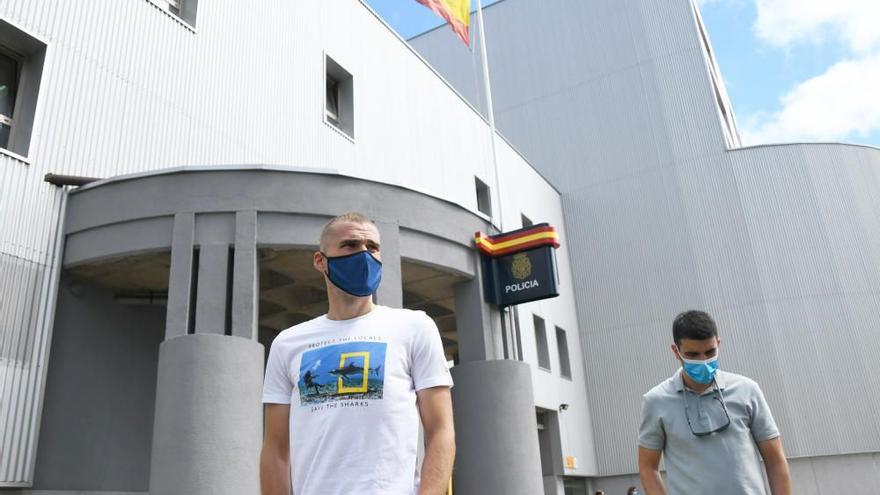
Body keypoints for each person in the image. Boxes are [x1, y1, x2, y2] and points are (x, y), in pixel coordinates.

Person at [260, 212, 455, 495]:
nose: (364, 254)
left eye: (372, 247)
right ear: (320, 261)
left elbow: (441, 431)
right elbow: (276, 449)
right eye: (350, 245)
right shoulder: (287, 343)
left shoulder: (415, 327)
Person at [638, 310, 791, 495]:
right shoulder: (656, 402)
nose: (703, 361)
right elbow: (648, 468)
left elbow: (775, 460)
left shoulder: (747, 390)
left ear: (718, 343)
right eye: (693, 354)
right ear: (676, 351)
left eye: (710, 352)